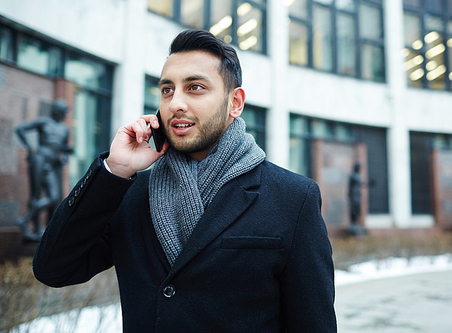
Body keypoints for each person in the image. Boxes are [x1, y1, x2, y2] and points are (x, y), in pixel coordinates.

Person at [33, 29, 336, 332]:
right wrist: (114, 170)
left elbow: (313, 323)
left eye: (194, 87)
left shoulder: (292, 197)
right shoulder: (132, 193)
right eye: (167, 90)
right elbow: (54, 269)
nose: (175, 103)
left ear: (235, 103)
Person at [16, 99, 73, 240]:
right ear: (57, 110)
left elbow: (63, 148)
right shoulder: (44, 122)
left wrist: (64, 156)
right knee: (35, 195)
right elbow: (20, 129)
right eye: (64, 110)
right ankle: (34, 229)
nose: (65, 113)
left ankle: (25, 219)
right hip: (39, 160)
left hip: (51, 164)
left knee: (54, 197)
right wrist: (30, 149)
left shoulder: (65, 129)